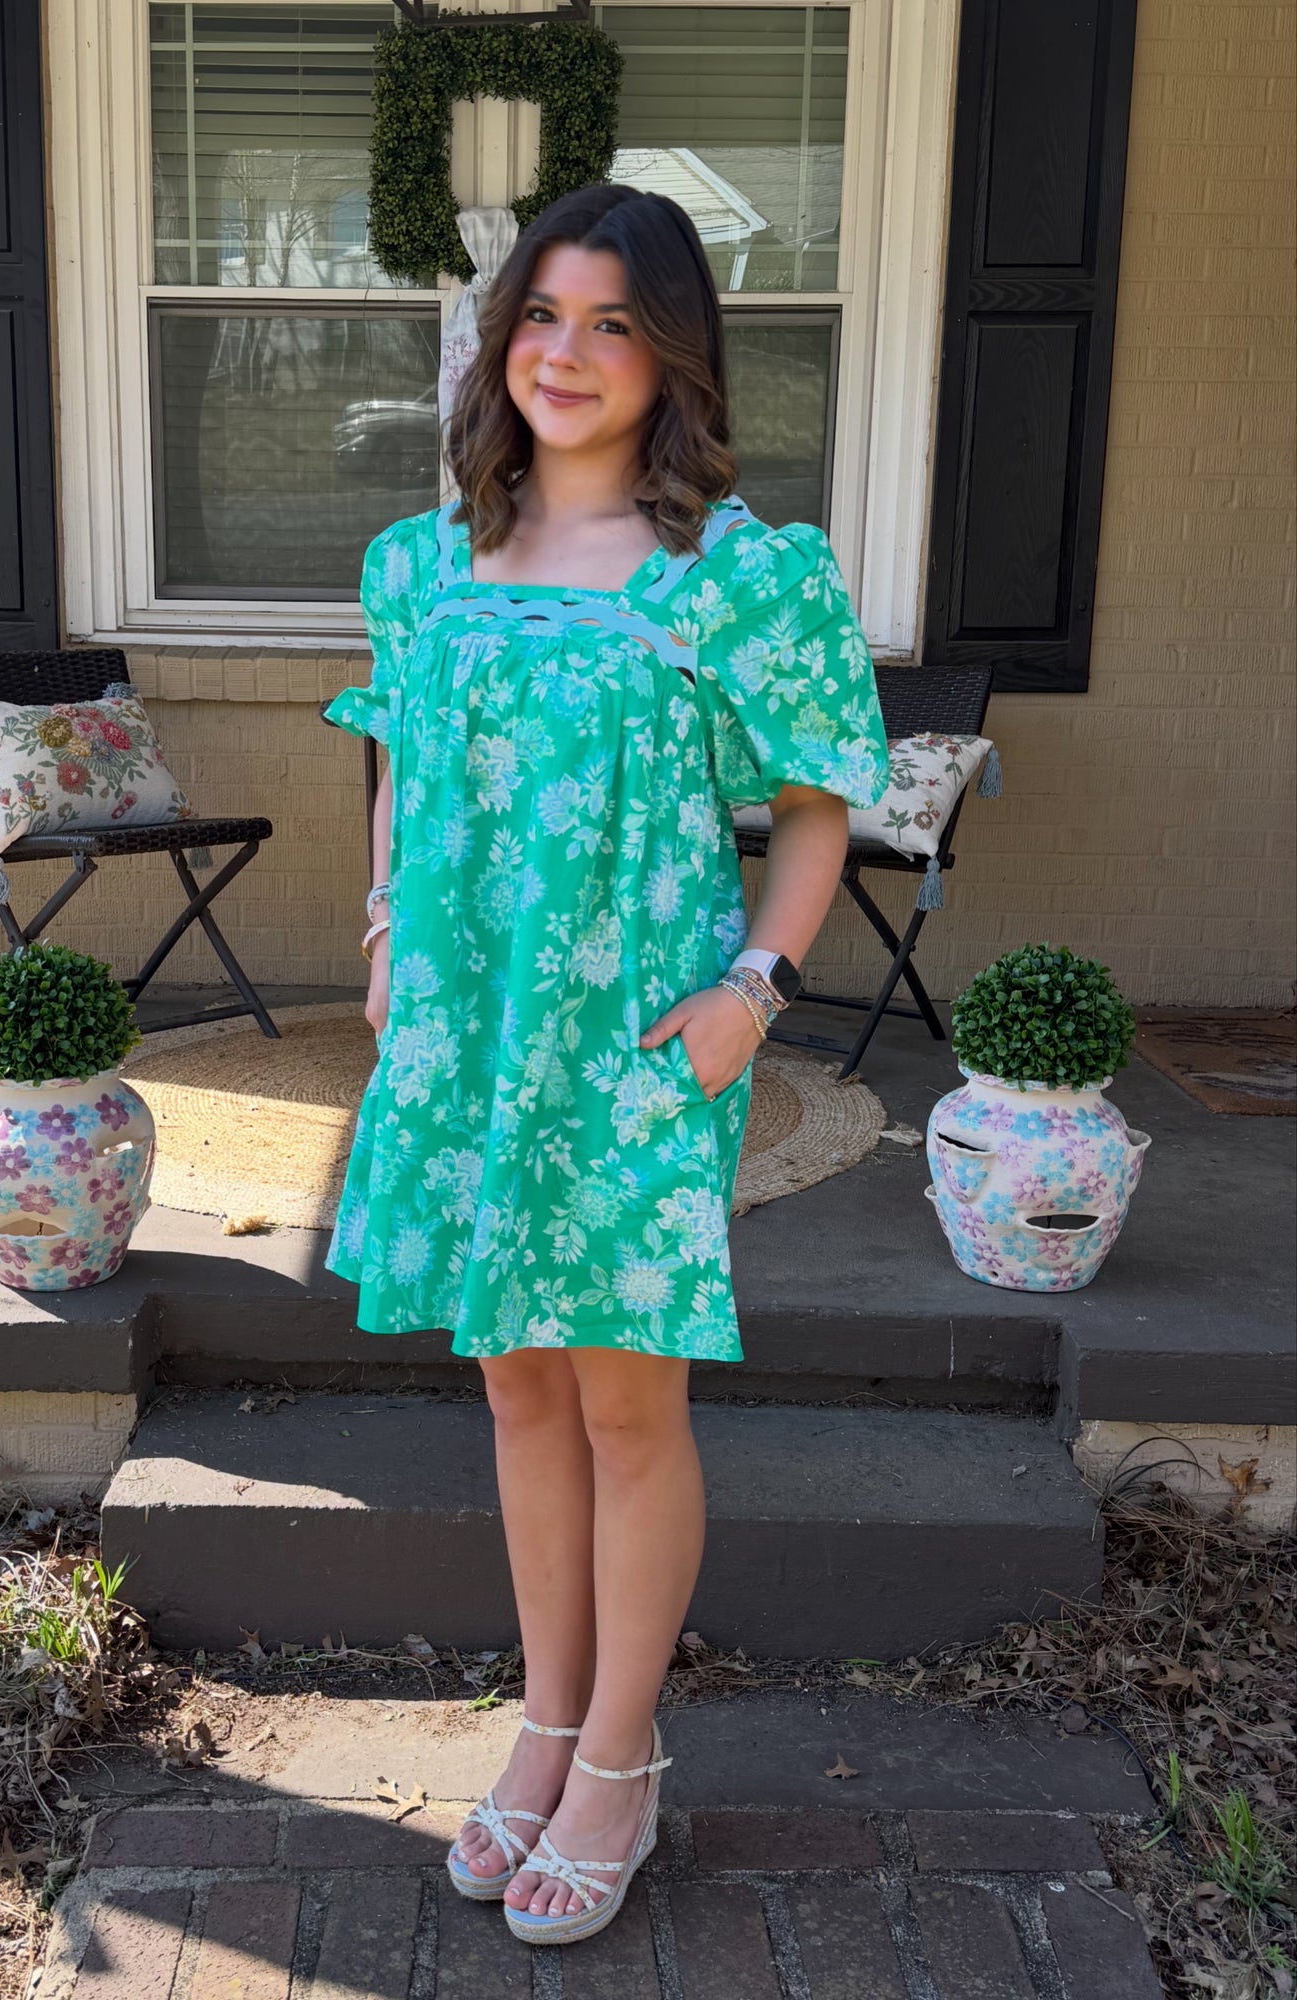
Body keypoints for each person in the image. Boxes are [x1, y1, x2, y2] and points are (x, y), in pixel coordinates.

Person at [322, 182, 887, 1946]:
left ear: (670, 355)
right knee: (515, 1387)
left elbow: (817, 802)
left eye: (613, 323)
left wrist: (756, 987)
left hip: (644, 1043)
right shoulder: (426, 565)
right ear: (503, 341)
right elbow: (409, 769)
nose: (566, 353)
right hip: (470, 1038)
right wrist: (387, 939)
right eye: (542, 317)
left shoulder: (733, 572)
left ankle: (623, 1762)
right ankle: (546, 1725)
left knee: (630, 1401)